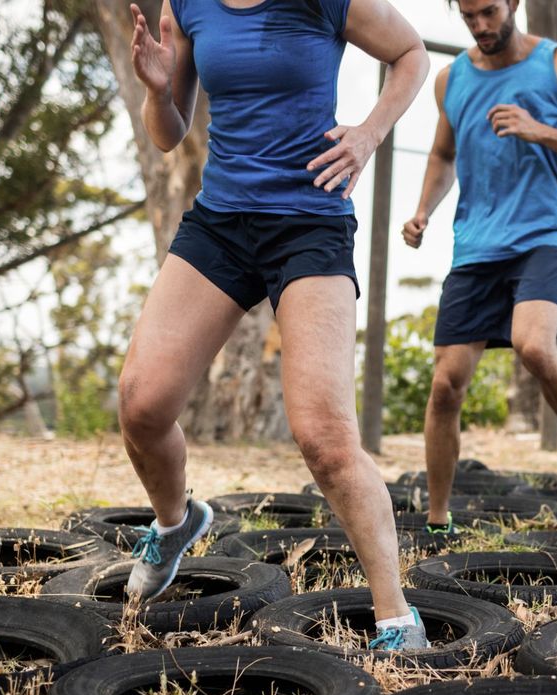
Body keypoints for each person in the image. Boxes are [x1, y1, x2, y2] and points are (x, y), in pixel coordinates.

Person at [121, 0, 430, 650]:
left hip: (309, 222)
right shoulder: (189, 5)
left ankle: (397, 619)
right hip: (221, 222)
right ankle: (175, 524)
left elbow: (411, 54)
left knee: (325, 439)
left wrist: (369, 134)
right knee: (141, 407)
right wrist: (156, 90)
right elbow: (168, 133)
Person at [401, 0, 557, 531]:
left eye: (489, 12)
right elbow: (443, 155)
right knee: (445, 385)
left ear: (514, 3)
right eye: (468, 17)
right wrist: (423, 209)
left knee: (534, 345)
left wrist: (540, 130)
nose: (480, 26)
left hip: (542, 237)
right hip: (476, 247)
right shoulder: (450, 80)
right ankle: (438, 520)